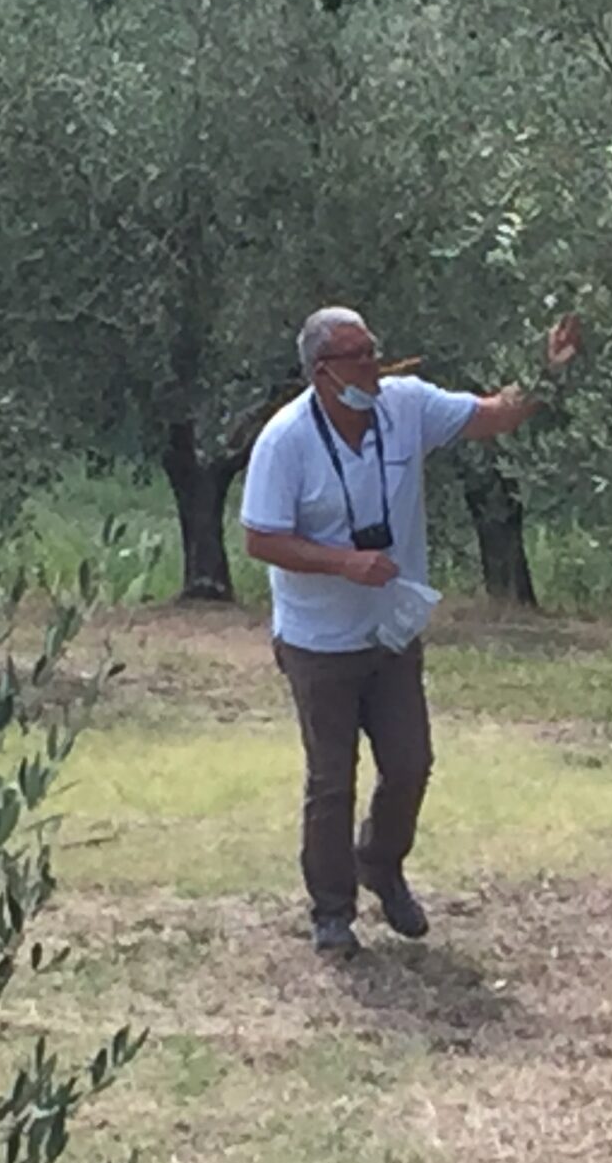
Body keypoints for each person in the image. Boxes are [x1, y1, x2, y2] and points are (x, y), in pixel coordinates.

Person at [240, 305, 583, 957]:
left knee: (410, 763)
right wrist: (344, 562)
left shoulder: (405, 406)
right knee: (330, 778)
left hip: (391, 633)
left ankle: (382, 863)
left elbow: (493, 414)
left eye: (374, 349)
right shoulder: (285, 441)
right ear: (323, 373)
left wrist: (549, 373)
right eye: (357, 356)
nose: (374, 365)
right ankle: (332, 913)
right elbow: (260, 537)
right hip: (318, 641)